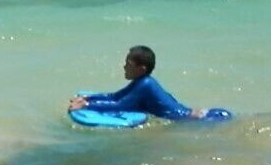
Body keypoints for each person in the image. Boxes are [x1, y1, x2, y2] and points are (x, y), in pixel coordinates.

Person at [64, 45, 197, 119]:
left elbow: (120, 105)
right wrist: (88, 98)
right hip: (188, 115)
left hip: (187, 120)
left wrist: (86, 106)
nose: (124, 67)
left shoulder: (145, 84)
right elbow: (115, 96)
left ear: (141, 69)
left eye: (128, 64)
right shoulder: (141, 82)